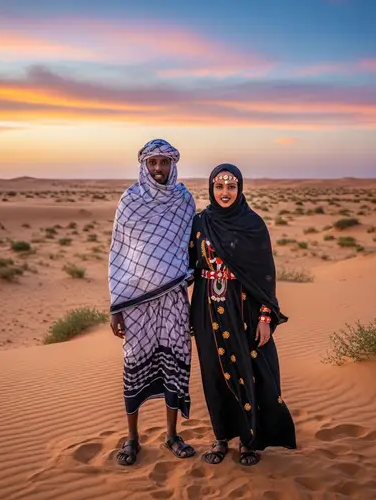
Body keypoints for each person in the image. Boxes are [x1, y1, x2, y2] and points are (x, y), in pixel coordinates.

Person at [188, 163, 297, 466]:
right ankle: (221, 438)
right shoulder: (200, 222)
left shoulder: (253, 225)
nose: (225, 192)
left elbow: (265, 277)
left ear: (240, 189)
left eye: (231, 186)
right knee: (213, 374)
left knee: (248, 372)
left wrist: (265, 318)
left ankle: (249, 441)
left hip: (244, 310)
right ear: (211, 188)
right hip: (206, 309)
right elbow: (187, 267)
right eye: (219, 186)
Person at [108, 139, 196, 466]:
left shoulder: (184, 200)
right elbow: (118, 255)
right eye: (152, 163)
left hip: (174, 298)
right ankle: (132, 439)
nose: (158, 169)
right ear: (143, 165)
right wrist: (116, 306)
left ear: (173, 164)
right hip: (136, 301)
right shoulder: (129, 201)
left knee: (174, 362)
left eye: (164, 162)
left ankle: (172, 435)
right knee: (134, 364)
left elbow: (191, 249)